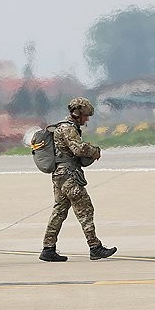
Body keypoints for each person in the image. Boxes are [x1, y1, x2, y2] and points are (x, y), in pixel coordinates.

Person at [39, 97, 116, 262]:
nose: (87, 119)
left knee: (59, 210)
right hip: (68, 174)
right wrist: (94, 150)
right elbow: (78, 149)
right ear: (77, 113)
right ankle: (95, 247)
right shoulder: (68, 128)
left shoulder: (64, 127)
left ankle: (48, 248)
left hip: (60, 175)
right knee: (85, 209)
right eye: (85, 115)